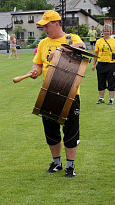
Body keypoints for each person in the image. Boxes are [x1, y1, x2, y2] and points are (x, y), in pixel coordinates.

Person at [29, 10, 86, 178]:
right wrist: (35, 71)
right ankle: (56, 162)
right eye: (43, 27)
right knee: (51, 130)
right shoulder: (43, 44)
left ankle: (70, 166)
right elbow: (38, 65)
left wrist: (61, 49)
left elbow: (82, 47)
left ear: (57, 23)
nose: (45, 30)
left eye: (47, 26)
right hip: (50, 92)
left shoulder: (72, 39)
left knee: (71, 130)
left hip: (70, 92)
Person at [92, 24, 115, 105]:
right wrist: (93, 64)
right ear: (102, 32)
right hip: (101, 64)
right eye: (105, 31)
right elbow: (96, 53)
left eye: (108, 31)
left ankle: (111, 99)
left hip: (111, 65)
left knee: (111, 82)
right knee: (101, 82)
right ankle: (101, 98)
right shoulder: (98, 41)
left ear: (110, 32)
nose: (106, 33)